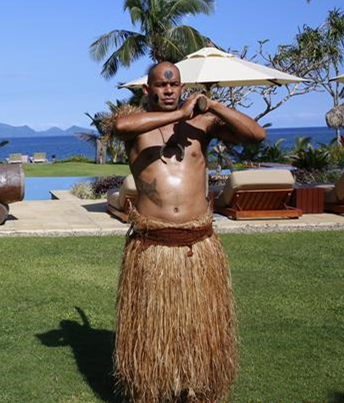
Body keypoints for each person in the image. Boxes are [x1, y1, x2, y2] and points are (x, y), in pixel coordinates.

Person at [111, 62, 266, 403]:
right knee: (154, 330)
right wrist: (179, 113)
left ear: (182, 87)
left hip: (198, 249)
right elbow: (120, 125)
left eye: (174, 85)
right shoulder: (136, 125)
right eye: (160, 85)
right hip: (152, 250)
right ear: (147, 90)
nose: (168, 90)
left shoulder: (203, 124)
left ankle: (196, 389)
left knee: (196, 329)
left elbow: (256, 135)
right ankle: (153, 389)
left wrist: (214, 106)